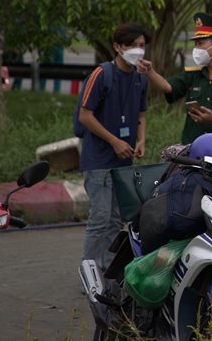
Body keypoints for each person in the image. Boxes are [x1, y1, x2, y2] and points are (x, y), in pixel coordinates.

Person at [78, 23, 150, 271]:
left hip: (124, 160)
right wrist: (115, 141)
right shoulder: (101, 74)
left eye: (141, 46)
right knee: (99, 218)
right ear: (118, 47)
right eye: (132, 45)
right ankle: (89, 271)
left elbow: (141, 113)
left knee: (117, 218)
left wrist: (141, 139)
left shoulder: (141, 77)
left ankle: (108, 269)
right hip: (99, 159)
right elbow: (85, 116)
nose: (138, 51)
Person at [142, 13, 212, 151]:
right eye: (195, 44)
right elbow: (168, 86)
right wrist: (150, 72)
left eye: (201, 43)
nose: (196, 49)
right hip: (194, 152)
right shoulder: (193, 75)